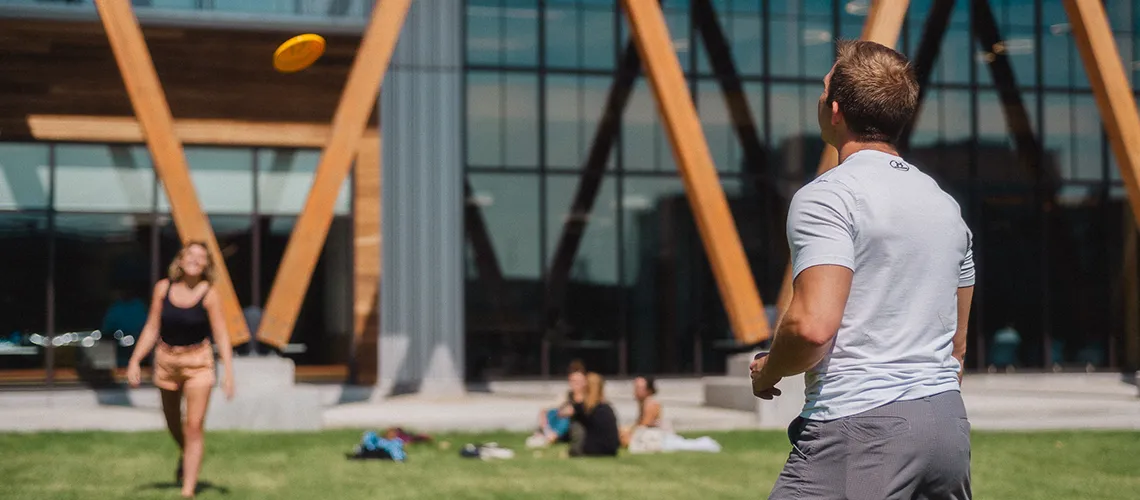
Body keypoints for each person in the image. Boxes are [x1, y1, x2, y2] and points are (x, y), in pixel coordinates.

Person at [750, 40, 975, 499]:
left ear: (835, 111)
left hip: (860, 429)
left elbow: (812, 328)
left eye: (823, 89)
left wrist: (769, 369)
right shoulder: (945, 206)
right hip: (947, 428)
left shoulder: (829, 196)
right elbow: (957, 346)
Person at [126, 241, 236, 498]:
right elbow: (152, 327)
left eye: (201, 257)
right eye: (191, 255)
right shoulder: (163, 289)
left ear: (206, 264)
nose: (195, 260)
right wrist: (134, 360)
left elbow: (221, 334)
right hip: (166, 361)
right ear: (181, 259)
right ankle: (186, 455)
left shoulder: (209, 294)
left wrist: (229, 372)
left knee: (194, 426)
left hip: (198, 363)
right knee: (173, 423)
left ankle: (187, 490)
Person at [527, 360, 587, 448]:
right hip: (561, 423)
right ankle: (545, 434)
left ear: (584, 382)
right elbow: (549, 408)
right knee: (553, 412)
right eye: (573, 381)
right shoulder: (567, 395)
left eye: (578, 381)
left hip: (577, 425)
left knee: (566, 418)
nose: (575, 384)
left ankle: (550, 437)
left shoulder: (588, 396)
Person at [564, 372, 620, 457]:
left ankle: (574, 450)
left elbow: (564, 412)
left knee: (575, 423)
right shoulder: (606, 407)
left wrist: (576, 396)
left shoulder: (585, 408)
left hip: (593, 449)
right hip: (611, 450)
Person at [620, 376, 664, 448]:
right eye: (635, 387)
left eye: (639, 388)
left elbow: (643, 426)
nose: (635, 391)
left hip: (652, 437)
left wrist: (627, 432)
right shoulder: (644, 403)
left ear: (648, 390)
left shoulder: (650, 403)